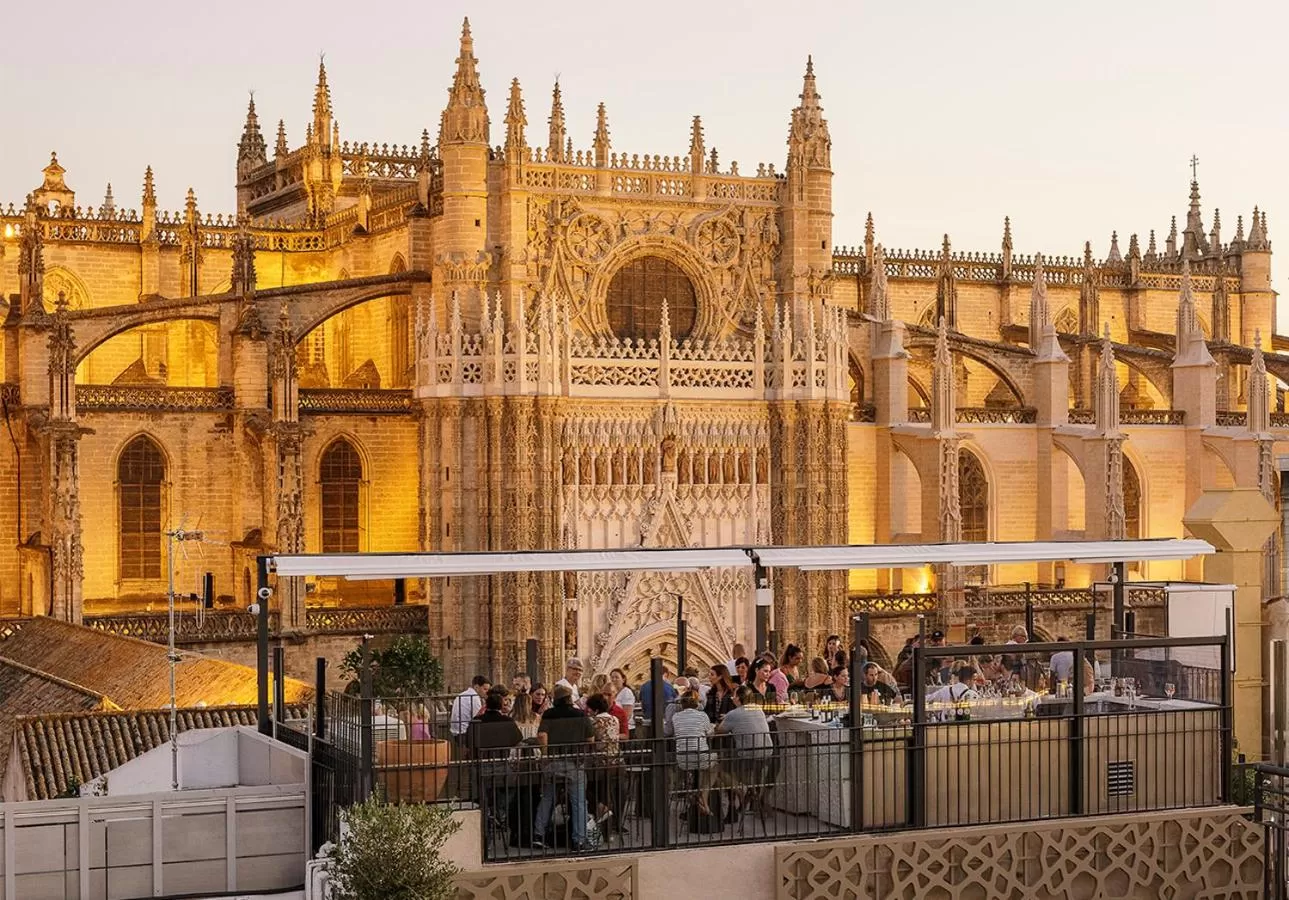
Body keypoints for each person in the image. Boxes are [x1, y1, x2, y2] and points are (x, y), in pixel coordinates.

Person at [533, 684, 595, 850]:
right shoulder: (580, 714)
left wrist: (545, 755)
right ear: (569, 699)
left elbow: (542, 735)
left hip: (553, 762)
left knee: (547, 797)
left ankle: (539, 834)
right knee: (579, 801)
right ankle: (579, 840)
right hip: (574, 762)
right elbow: (590, 739)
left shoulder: (549, 714)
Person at [670, 690, 717, 815]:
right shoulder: (702, 715)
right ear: (697, 703)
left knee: (694, 769)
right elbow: (710, 734)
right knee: (716, 765)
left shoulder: (675, 716)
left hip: (682, 760)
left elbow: (670, 732)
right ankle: (703, 795)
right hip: (701, 756)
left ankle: (692, 794)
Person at [585, 693, 623, 829]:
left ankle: (600, 808)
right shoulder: (615, 719)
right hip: (616, 763)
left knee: (582, 784)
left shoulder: (593, 721)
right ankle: (606, 812)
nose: (588, 711)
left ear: (595, 709)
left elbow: (589, 741)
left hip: (598, 764)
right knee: (606, 789)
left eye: (589, 708)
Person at [465, 689, 523, 759]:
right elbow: (517, 739)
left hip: (480, 760)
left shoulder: (476, 721)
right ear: (501, 706)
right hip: (502, 758)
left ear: (486, 705)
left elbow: (468, 741)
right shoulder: (508, 721)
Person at [450, 675, 491, 742]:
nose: (487, 692)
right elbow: (478, 719)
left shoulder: (462, 694)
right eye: (485, 689)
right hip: (464, 733)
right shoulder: (474, 697)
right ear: (476, 687)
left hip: (456, 732)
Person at [610, 668, 635, 733]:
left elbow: (627, 715)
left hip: (625, 728)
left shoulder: (626, 692)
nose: (614, 679)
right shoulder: (612, 693)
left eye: (617, 677)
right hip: (614, 728)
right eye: (612, 677)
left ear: (623, 679)